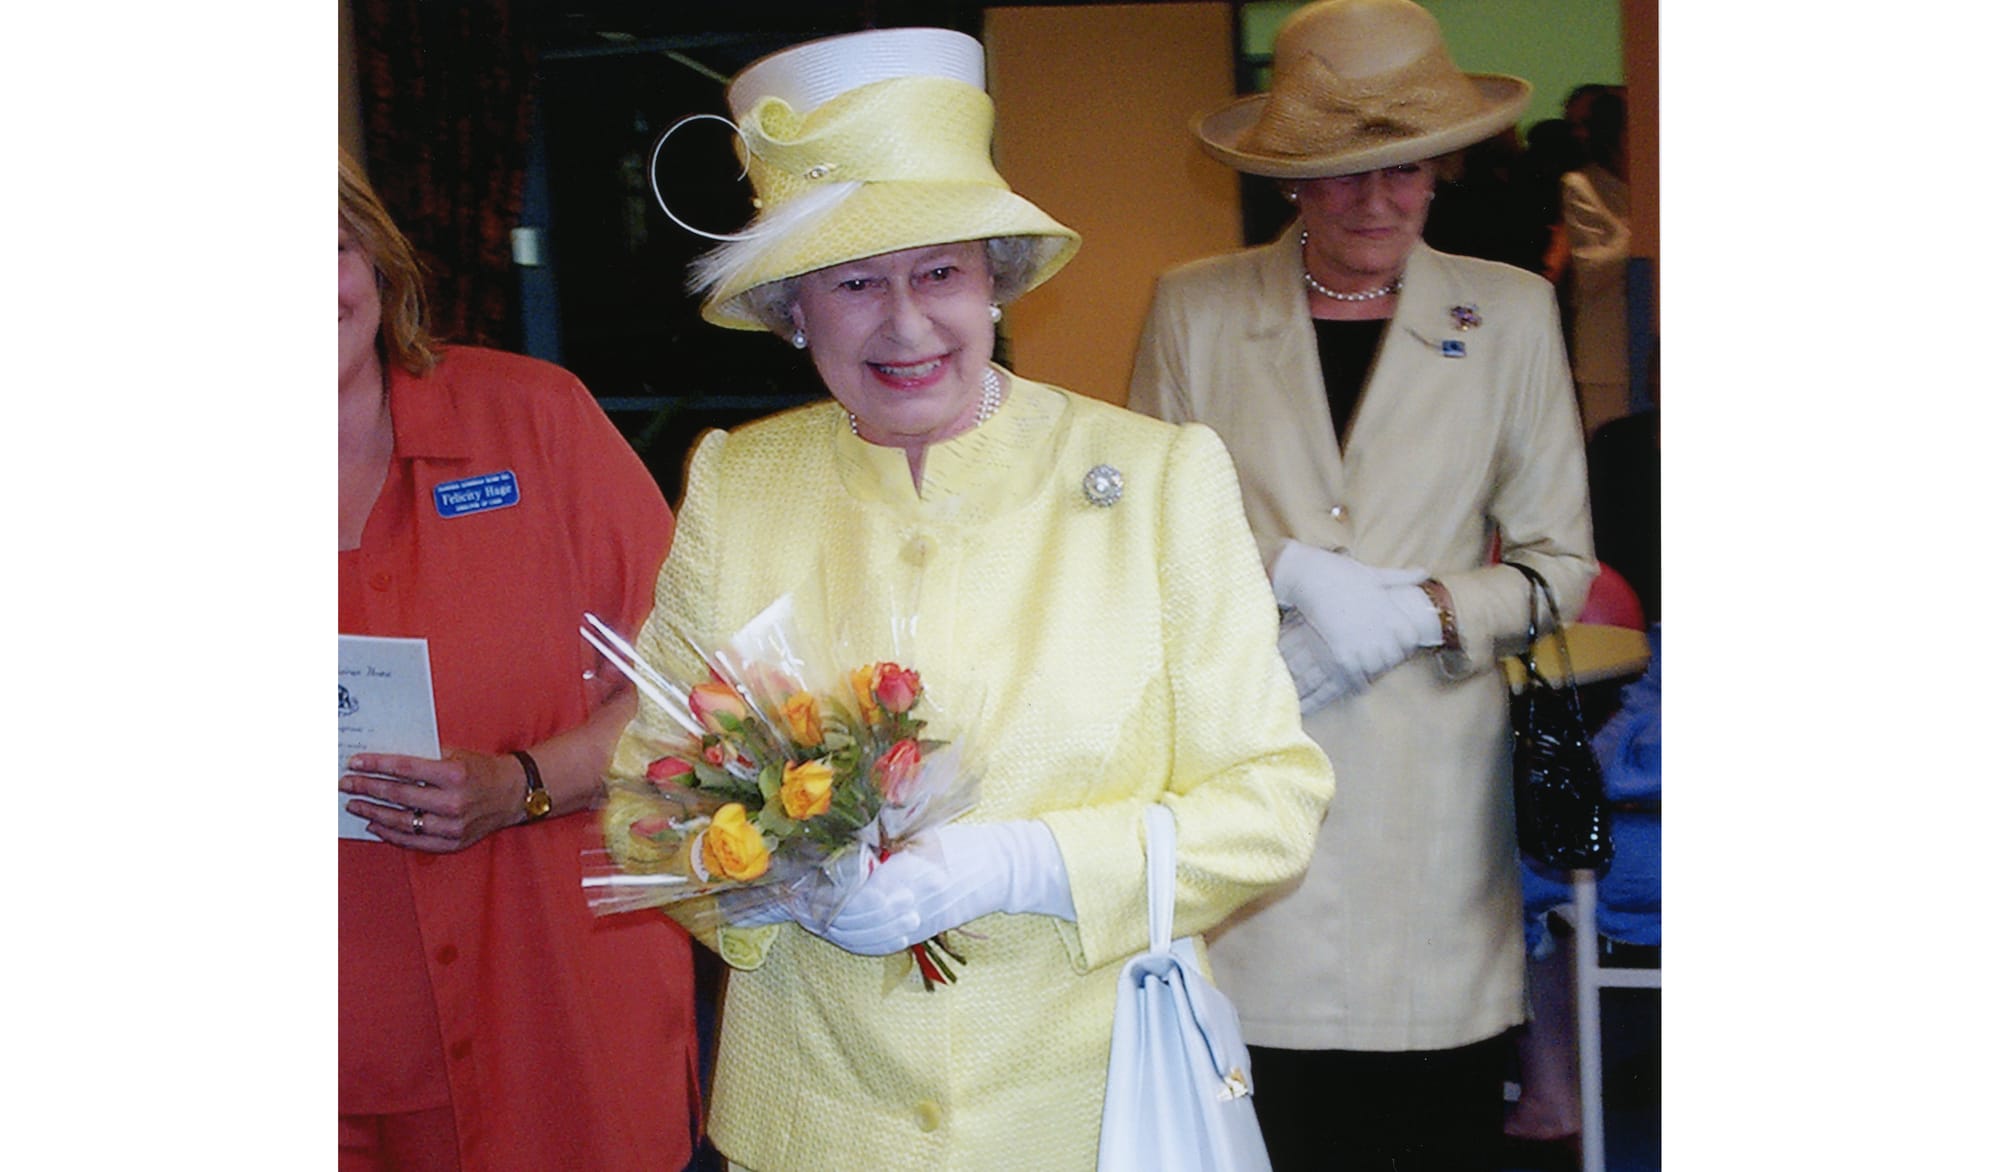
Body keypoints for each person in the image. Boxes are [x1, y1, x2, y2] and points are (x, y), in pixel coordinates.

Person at [604, 27, 1337, 1172]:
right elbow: (643, 799)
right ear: (793, 310)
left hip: (1092, 1118)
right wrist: (768, 884)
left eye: (938, 273)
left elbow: (1270, 807)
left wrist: (1021, 865)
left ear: (995, 283)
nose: (905, 325)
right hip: (813, 1126)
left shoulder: (1156, 477)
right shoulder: (736, 483)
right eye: (854, 282)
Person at [1128, 2, 1597, 1168]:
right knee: (1257, 1116)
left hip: (1433, 809)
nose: (1374, 201)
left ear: (1439, 168)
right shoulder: (1194, 305)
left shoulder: (1509, 312)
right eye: (1340, 173)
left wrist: (1417, 612)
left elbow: (1558, 565)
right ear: (1290, 176)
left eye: (1401, 168)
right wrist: (1282, 570)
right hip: (1249, 777)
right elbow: (1136, 540)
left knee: (1430, 1125)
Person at [337, 150, 700, 1171]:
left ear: (374, 258)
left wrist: (524, 781)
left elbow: (690, 690)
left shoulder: (534, 422)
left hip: (552, 1026)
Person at [1559, 90, 1633, 435]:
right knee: (1611, 446)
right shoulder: (1582, 185)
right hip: (1607, 352)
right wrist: (1644, 228)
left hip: (1655, 340)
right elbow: (1590, 271)